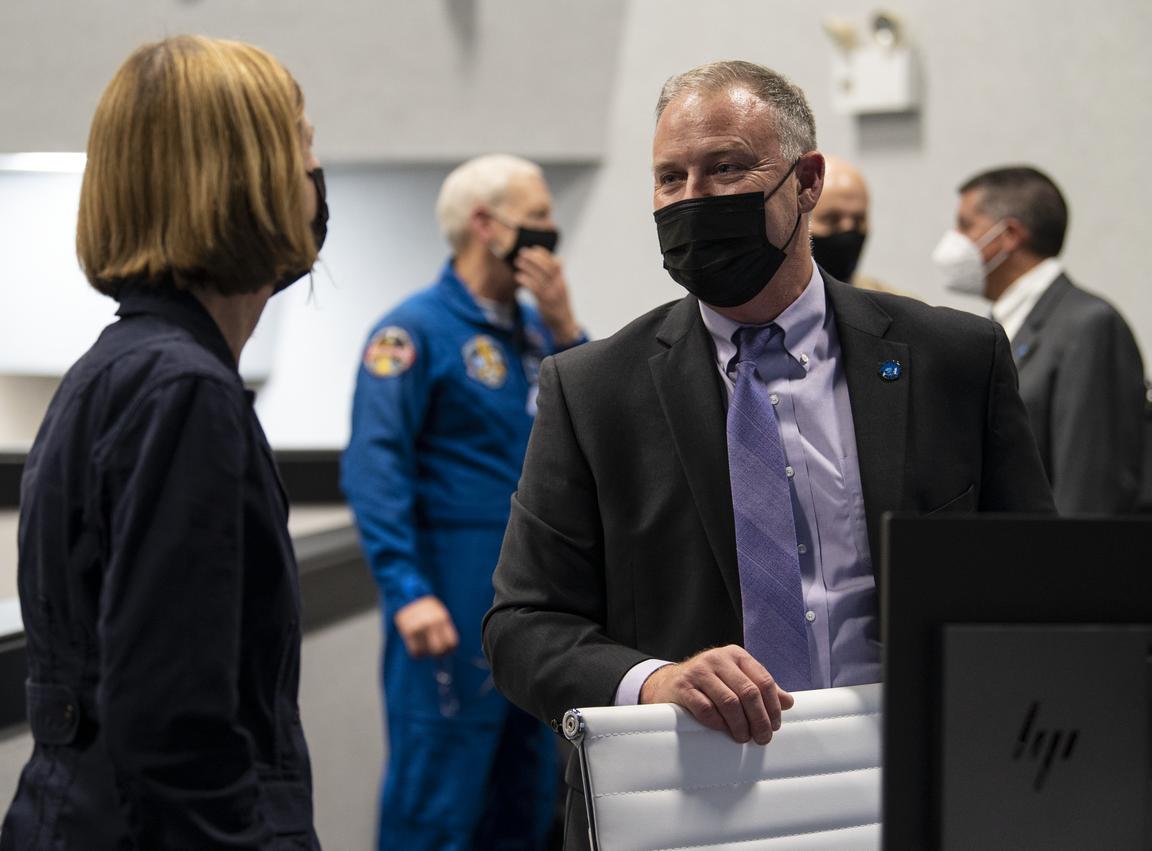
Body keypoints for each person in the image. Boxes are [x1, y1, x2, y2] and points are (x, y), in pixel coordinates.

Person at [482, 60, 1055, 849]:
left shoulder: (953, 358)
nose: (692, 198)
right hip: (703, 800)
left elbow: (1035, 584)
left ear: (806, 181)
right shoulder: (593, 390)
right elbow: (521, 625)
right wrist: (657, 680)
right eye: (669, 177)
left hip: (916, 785)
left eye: (725, 168)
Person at [0, 36, 327, 849]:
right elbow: (174, 731)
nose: (317, 182)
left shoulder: (122, 369)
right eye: (304, 147)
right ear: (244, 176)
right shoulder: (184, 395)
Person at [342, 154, 585, 850]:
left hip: (537, 611)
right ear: (486, 225)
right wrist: (406, 588)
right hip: (449, 604)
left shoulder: (543, 335)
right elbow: (374, 466)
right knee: (439, 803)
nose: (551, 233)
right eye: (538, 220)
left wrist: (569, 330)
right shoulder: (411, 332)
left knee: (532, 800)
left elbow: (604, 434)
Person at [933, 166, 1145, 514]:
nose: (954, 240)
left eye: (966, 225)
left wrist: (1066, 566)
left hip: (1061, 562)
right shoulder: (992, 328)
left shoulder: (1088, 325)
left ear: (1010, 234)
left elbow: (1089, 488)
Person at [809, 154, 897, 294]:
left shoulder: (894, 310)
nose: (848, 229)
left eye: (858, 220)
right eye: (832, 220)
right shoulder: (773, 311)